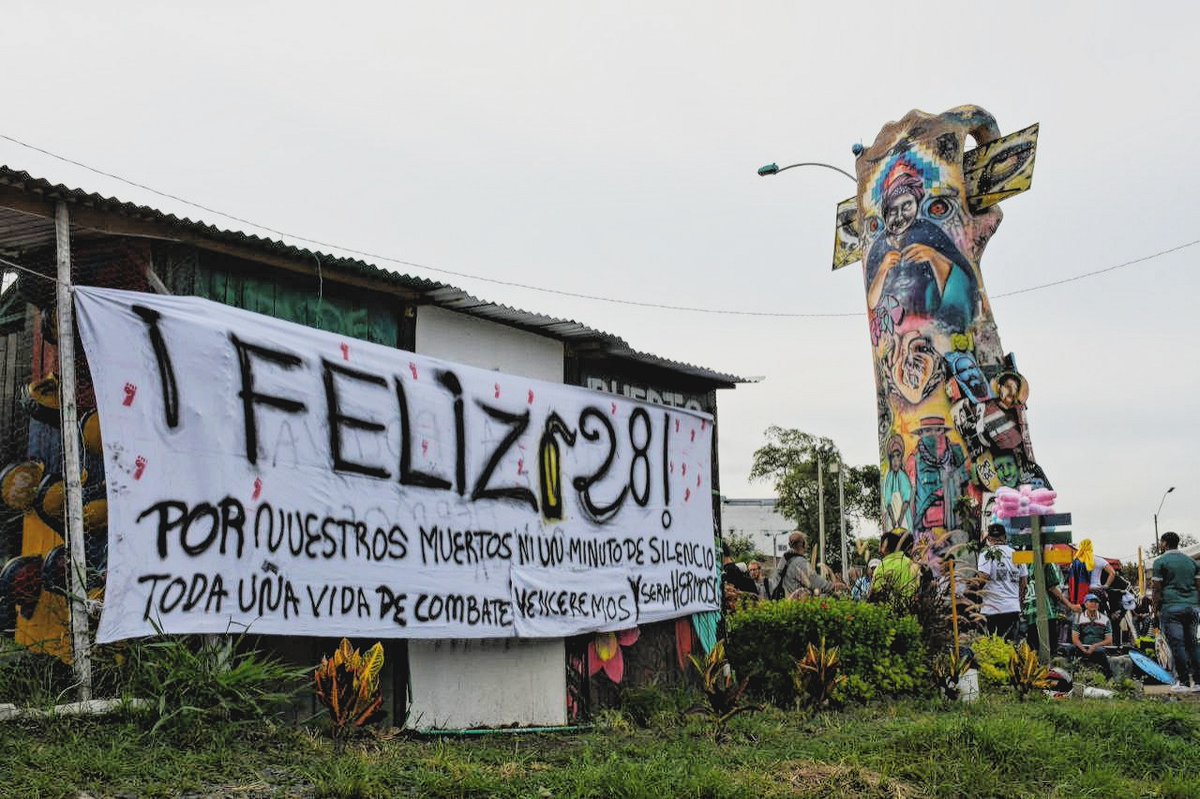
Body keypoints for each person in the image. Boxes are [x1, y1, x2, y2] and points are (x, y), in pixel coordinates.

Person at [1151, 531, 1200, 693]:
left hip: (1171, 607)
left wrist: (1154, 611)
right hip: (1192, 607)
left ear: (1165, 543)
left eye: (1161, 542)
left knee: (1177, 644)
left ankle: (1183, 682)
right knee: (1192, 644)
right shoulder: (1192, 562)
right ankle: (1198, 682)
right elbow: (1198, 586)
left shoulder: (1160, 562)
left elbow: (1156, 589)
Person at [976, 523, 1025, 642]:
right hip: (1012, 608)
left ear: (989, 539)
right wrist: (1019, 603)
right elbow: (1023, 583)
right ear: (1005, 537)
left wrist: (970, 587)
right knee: (1010, 647)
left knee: (992, 647)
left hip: (992, 610)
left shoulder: (986, 554)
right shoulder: (1018, 555)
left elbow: (983, 578)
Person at [1023, 559, 1079, 656]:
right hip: (1046, 612)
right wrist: (1070, 605)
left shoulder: (1022, 563)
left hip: (1030, 613)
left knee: (1033, 652)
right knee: (1050, 651)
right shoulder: (1045, 562)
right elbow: (1053, 588)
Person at [776, 532, 832, 599]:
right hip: (799, 602)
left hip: (787, 602)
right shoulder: (800, 562)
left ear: (789, 545)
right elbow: (816, 582)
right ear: (803, 544)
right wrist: (833, 587)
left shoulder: (785, 562)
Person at [1071, 592, 1114, 675]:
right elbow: (1075, 639)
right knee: (1071, 649)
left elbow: (1109, 640)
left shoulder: (1105, 619)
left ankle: (1108, 676)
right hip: (1083, 647)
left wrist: (1094, 646)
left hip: (1099, 648)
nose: (1094, 604)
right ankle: (1073, 674)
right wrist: (1084, 649)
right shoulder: (1078, 618)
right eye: (1091, 601)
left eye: (1096, 602)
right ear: (1085, 604)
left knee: (1100, 652)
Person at [870, 531, 919, 600]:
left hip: (891, 606)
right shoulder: (911, 563)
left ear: (884, 546)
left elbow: (874, 592)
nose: (879, 549)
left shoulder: (883, 566)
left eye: (880, 545)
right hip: (913, 605)